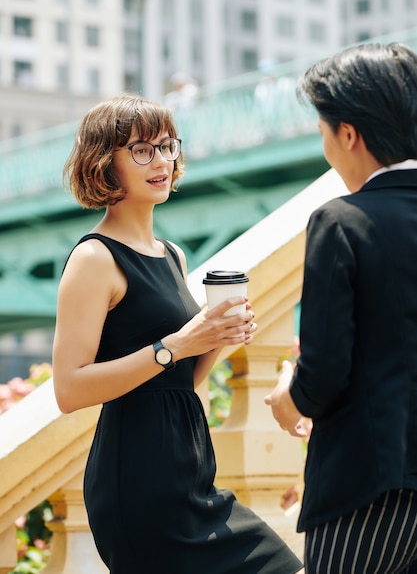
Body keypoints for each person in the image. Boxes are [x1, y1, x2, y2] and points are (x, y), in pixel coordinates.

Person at [52, 94, 304, 574]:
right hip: (137, 480)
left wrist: (217, 337)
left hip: (192, 474)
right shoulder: (94, 258)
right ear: (105, 163)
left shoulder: (172, 255)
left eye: (167, 146)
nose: (162, 161)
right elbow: (69, 389)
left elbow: (177, 379)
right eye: (142, 150)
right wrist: (180, 343)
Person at [264, 41, 417, 573]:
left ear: (348, 134)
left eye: (323, 129)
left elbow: (324, 372)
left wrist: (290, 395)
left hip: (368, 489)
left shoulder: (341, 221)